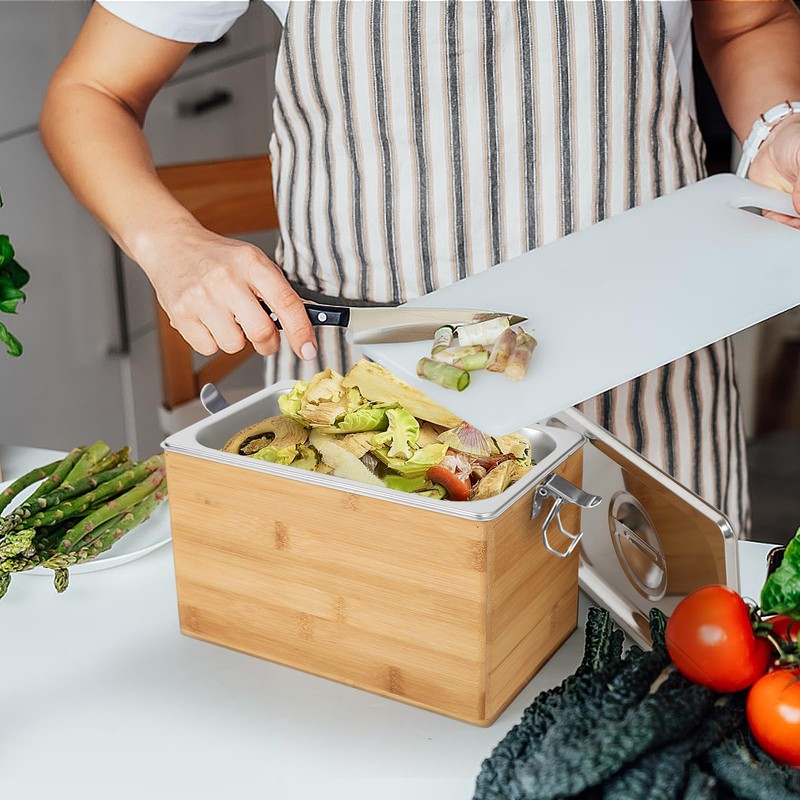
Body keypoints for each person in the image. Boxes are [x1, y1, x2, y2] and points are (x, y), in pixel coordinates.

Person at [40, 0, 800, 538]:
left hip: (643, 380)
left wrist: (778, 125)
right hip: (367, 390)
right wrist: (170, 243)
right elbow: (92, 91)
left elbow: (749, 20)